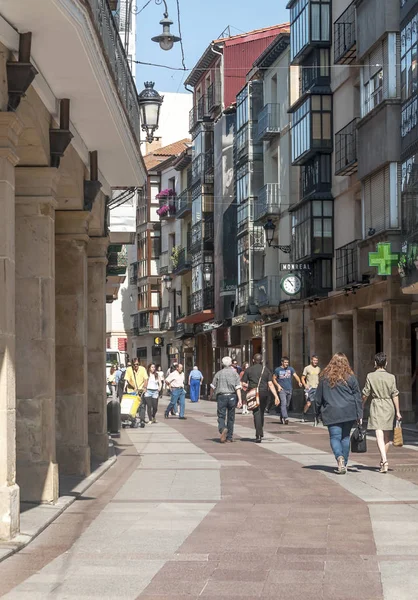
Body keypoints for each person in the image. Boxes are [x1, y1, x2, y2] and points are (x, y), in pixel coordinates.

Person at [315, 353, 362, 474]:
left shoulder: (325, 378)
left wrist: (316, 413)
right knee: (345, 437)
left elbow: (317, 399)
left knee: (335, 437)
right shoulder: (350, 377)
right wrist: (359, 414)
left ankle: (339, 457)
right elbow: (357, 396)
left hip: (332, 412)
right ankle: (344, 463)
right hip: (348, 411)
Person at [362, 352, 402, 473]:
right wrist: (398, 411)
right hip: (389, 405)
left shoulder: (370, 376)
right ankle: (383, 459)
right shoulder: (391, 377)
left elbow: (366, 393)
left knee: (378, 434)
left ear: (375, 363)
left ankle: (384, 460)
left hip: (377, 405)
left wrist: (361, 405)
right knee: (386, 437)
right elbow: (395, 394)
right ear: (386, 363)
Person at [241, 354, 280, 443]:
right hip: (264, 393)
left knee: (256, 413)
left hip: (254, 393)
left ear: (253, 360)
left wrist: (249, 386)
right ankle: (260, 431)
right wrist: (276, 396)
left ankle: (258, 434)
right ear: (261, 360)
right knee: (261, 412)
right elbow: (270, 384)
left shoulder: (248, 370)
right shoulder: (266, 370)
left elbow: (243, 383)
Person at [210, 356, 242, 443]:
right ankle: (229, 437)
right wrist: (240, 400)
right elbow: (238, 387)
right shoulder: (235, 374)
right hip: (232, 396)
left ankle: (222, 428)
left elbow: (212, 386)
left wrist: (211, 395)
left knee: (221, 415)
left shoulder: (218, 373)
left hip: (221, 396)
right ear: (231, 363)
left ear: (222, 364)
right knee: (231, 417)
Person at [272, 357, 302, 424]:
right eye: (285, 362)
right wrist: (278, 386)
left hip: (289, 389)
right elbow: (274, 379)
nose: (286, 364)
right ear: (282, 362)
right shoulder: (278, 370)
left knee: (287, 405)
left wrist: (299, 382)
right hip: (282, 389)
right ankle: (285, 418)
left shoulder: (290, 369)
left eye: (287, 362)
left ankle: (282, 416)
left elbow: (295, 376)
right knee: (283, 403)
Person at [125, 359, 148, 428]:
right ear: (132, 365)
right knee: (133, 406)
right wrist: (133, 386)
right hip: (131, 390)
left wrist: (145, 387)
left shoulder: (142, 369)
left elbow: (146, 379)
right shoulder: (129, 369)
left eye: (137, 364)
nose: (136, 366)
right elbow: (128, 380)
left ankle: (142, 420)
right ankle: (133, 420)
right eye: (134, 364)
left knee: (141, 405)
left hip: (140, 389)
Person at [301, 355, 321, 423]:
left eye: (316, 361)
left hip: (317, 388)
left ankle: (316, 416)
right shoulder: (307, 368)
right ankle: (304, 414)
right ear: (311, 360)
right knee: (309, 403)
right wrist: (305, 385)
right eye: (314, 360)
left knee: (316, 403)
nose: (315, 362)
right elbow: (302, 378)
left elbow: (319, 377)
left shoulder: (318, 368)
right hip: (309, 388)